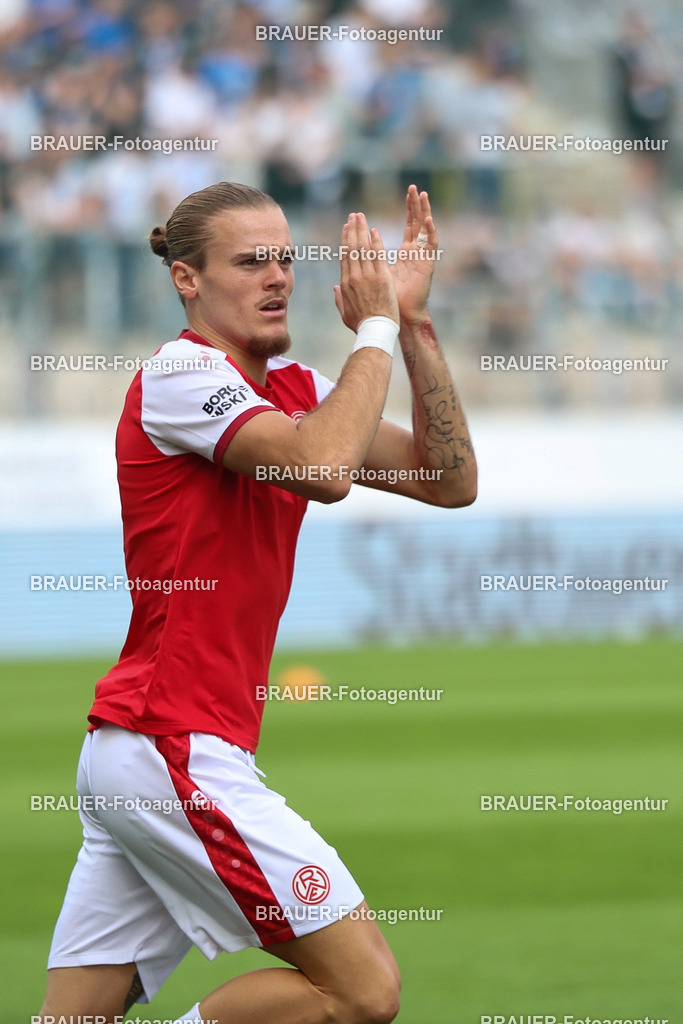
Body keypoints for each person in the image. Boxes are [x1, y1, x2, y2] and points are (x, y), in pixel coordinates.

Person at [37, 181, 477, 1024]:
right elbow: (321, 469)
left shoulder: (296, 387)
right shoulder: (178, 374)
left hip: (147, 751)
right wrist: (375, 330)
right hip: (172, 744)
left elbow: (447, 479)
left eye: (284, 258)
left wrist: (413, 327)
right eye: (250, 262)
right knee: (360, 991)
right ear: (187, 281)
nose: (277, 277)